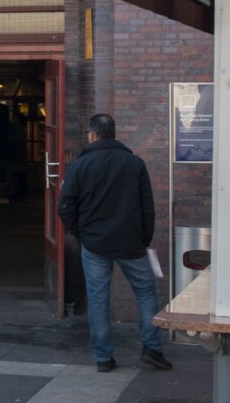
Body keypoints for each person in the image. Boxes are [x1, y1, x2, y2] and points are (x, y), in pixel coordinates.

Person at [59, 113, 172, 372]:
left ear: (92, 135)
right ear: (113, 134)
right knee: (145, 294)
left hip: (94, 243)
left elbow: (66, 205)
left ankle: (103, 358)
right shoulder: (134, 163)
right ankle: (152, 349)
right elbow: (148, 208)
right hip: (131, 242)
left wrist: (79, 233)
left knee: (98, 299)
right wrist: (144, 239)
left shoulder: (80, 165)